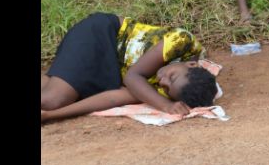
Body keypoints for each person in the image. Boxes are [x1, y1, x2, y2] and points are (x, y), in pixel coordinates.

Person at [41, 12, 217, 123]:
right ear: (191, 64)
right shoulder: (183, 42)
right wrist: (164, 105)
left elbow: (112, 98)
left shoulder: (172, 89)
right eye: (171, 77)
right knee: (53, 100)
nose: (162, 80)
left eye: (165, 87)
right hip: (103, 35)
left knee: (50, 94)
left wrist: (51, 116)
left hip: (109, 69)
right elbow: (132, 77)